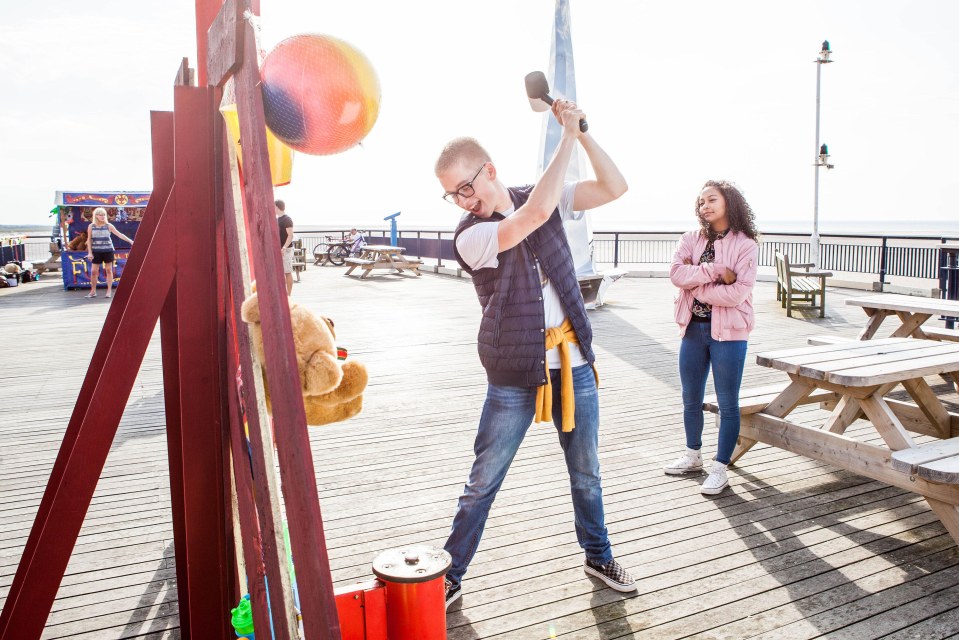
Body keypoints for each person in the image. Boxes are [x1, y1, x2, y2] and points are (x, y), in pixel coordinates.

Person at [435, 99, 634, 612]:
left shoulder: (542, 193)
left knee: (586, 471)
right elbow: (535, 215)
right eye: (451, 194)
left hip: (572, 361)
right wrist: (563, 134)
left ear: (490, 171)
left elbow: (615, 187)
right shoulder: (470, 238)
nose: (461, 200)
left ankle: (598, 554)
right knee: (483, 480)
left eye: (465, 186)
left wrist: (582, 131)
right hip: (514, 372)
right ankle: (450, 574)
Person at [665, 180, 760, 495]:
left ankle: (720, 468)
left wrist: (697, 282)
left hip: (731, 333)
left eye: (712, 199)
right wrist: (716, 270)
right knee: (690, 398)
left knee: (728, 403)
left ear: (728, 202)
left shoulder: (746, 244)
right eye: (701, 201)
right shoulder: (690, 239)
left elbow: (736, 295)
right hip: (692, 329)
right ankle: (693, 455)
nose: (705, 206)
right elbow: (677, 275)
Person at [84, 207, 134, 299]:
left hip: (108, 250)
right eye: (100, 215)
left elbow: (119, 234)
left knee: (108, 270)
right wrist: (90, 252)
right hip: (96, 251)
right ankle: (93, 291)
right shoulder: (91, 226)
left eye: (103, 215)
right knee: (94, 271)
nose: (102, 216)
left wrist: (130, 241)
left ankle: (109, 291)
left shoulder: (109, 226)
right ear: (96, 216)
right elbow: (89, 239)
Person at [275, 199, 294, 295]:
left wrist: (284, 248)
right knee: (279, 273)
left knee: (287, 272)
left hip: (286, 250)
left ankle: (288, 295)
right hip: (279, 250)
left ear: (277, 207)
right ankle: (282, 295)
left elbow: (290, 235)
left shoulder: (287, 219)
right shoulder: (277, 219)